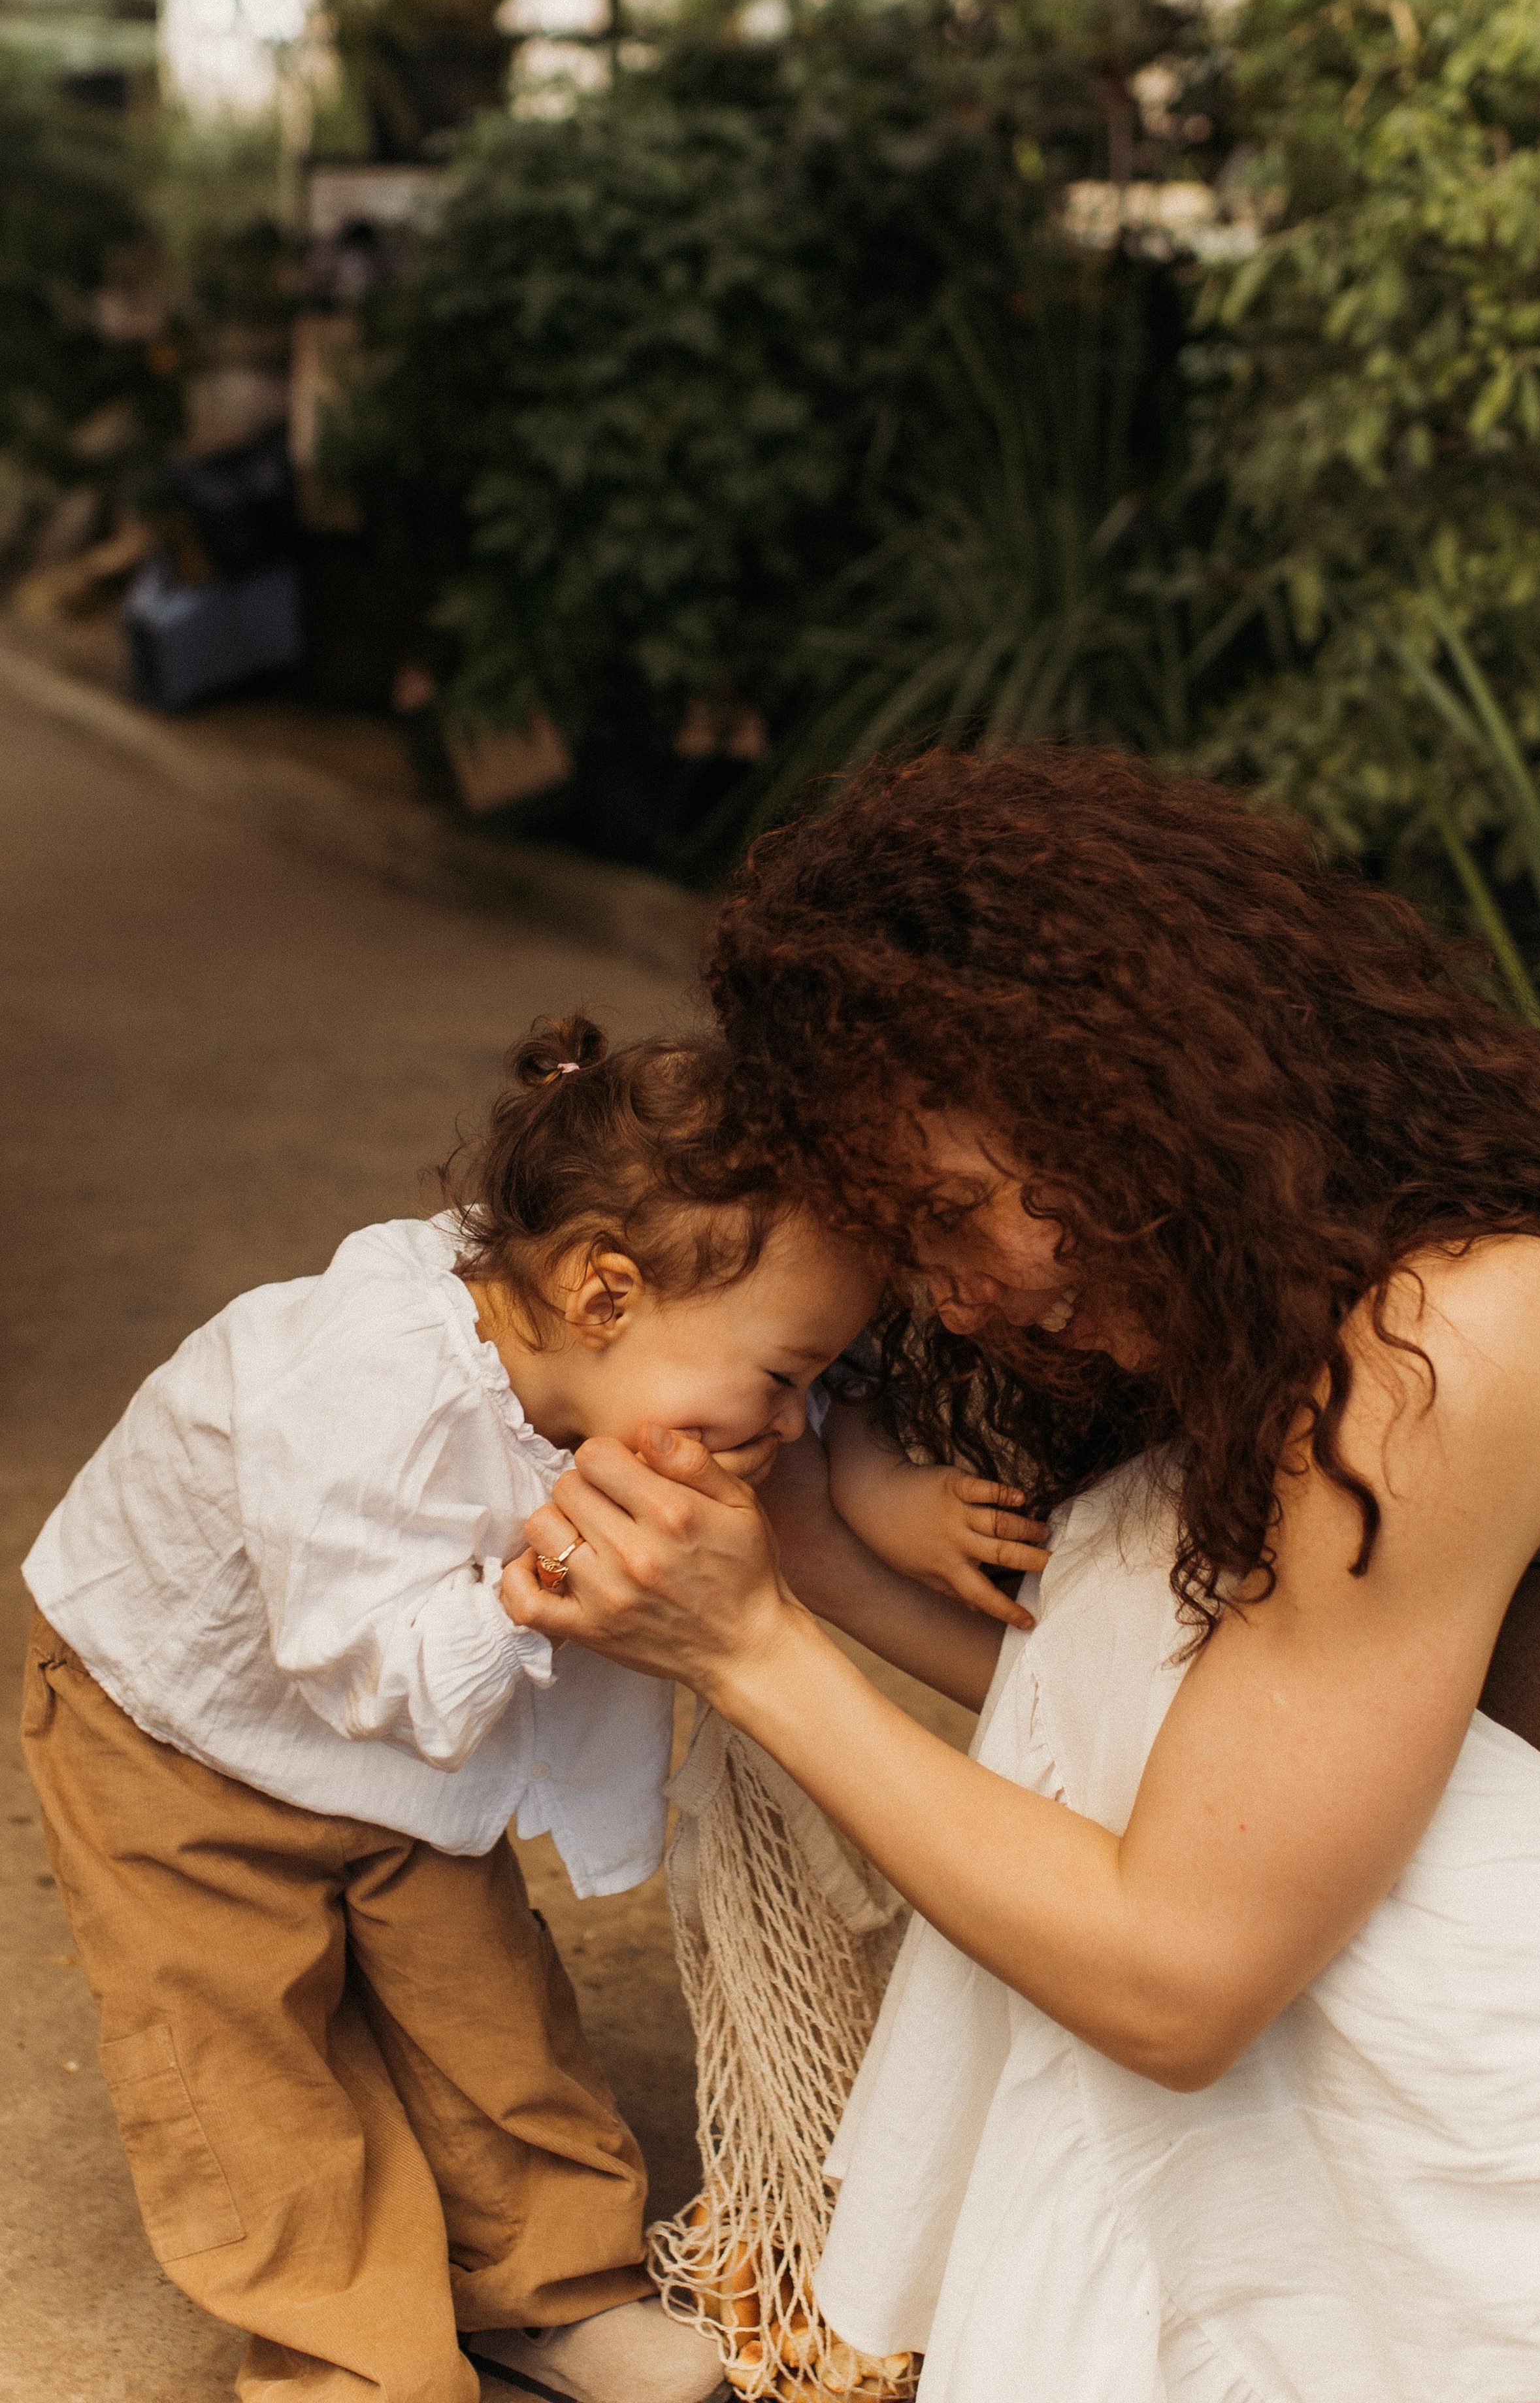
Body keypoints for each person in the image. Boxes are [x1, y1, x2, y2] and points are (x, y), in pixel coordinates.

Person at [502, 752, 1540, 2402]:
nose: (960, 1300)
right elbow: (1242, 1759)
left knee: (1242, 1881)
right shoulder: (1339, 1274)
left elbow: (1179, 1977)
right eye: (910, 1256)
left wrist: (751, 1651)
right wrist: (822, 1563)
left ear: (1113, 1089)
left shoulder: (1437, 1352)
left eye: (960, 1213)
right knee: (1139, 1571)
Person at [21, 1010, 965, 2403]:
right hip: (182, 1736)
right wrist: (543, 1580)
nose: (792, 1421)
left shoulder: (637, 1346)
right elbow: (362, 1669)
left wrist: (886, 1488)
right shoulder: (349, 1384)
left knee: (485, 2009)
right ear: (601, 1294)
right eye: (784, 1380)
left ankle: (551, 2290)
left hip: (407, 1756)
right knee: (244, 2057)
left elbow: (794, 1411)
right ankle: (347, 2351)